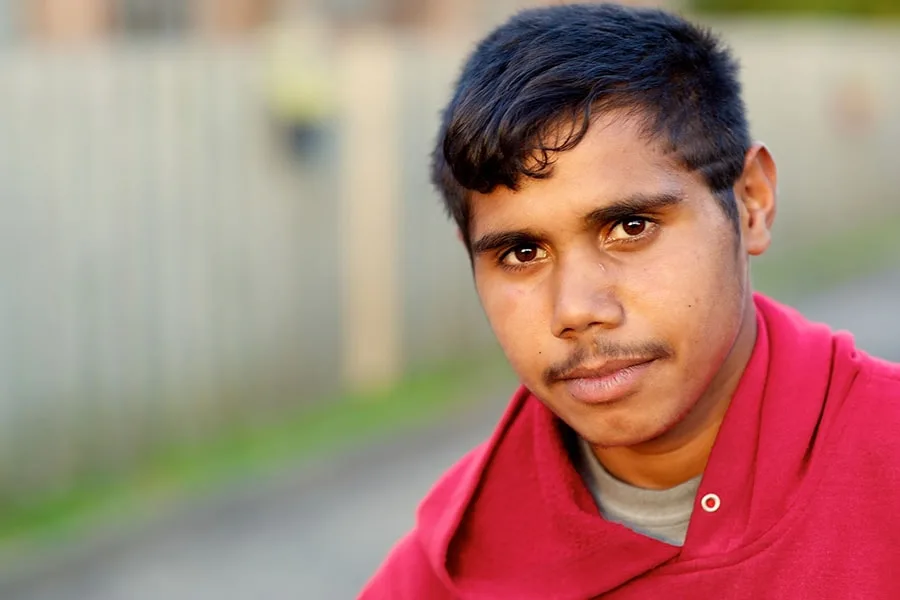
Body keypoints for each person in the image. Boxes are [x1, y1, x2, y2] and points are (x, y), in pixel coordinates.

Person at [360, 4, 900, 599]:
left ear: (751, 202)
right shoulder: (453, 560)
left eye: (631, 226)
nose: (576, 309)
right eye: (520, 253)